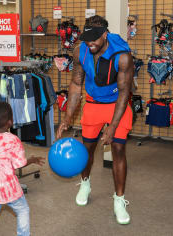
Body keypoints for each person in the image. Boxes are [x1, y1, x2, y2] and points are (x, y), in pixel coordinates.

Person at [56, 15, 134, 225]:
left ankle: (119, 200)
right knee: (87, 149)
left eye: (94, 40)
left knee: (118, 149)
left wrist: (113, 127)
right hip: (93, 104)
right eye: (86, 39)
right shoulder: (80, 50)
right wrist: (67, 117)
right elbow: (75, 83)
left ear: (105, 35)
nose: (90, 43)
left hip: (118, 105)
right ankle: (85, 183)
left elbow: (125, 93)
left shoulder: (123, 56)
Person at [0, 102, 45, 236]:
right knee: (22, 210)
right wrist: (32, 159)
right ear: (10, 122)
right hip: (10, 190)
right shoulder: (13, 140)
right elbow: (19, 164)